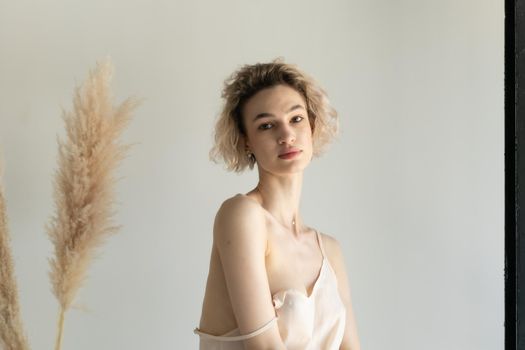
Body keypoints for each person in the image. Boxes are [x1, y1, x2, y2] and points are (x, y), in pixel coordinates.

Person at [194, 59, 361, 350]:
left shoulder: (329, 251)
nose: (286, 135)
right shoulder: (242, 215)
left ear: (312, 125)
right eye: (267, 125)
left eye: (296, 119)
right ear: (246, 141)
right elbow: (265, 347)